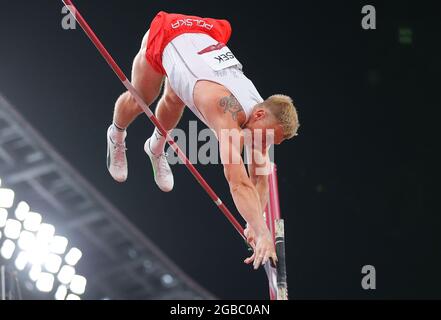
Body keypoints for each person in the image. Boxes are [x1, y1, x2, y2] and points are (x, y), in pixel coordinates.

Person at [106, 11, 299, 270]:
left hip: (200, 45)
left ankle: (155, 148)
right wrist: (263, 233)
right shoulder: (225, 108)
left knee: (174, 100)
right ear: (260, 114)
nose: (263, 142)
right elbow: (239, 183)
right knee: (140, 99)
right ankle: (116, 135)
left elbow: (260, 177)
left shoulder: (260, 117)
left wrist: (256, 221)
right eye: (267, 137)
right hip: (168, 35)